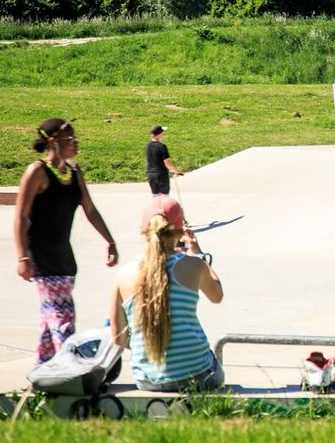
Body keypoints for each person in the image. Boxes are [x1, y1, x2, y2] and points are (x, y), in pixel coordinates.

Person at [13, 118, 119, 364]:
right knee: (63, 318)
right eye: (70, 139)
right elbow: (21, 216)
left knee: (51, 319)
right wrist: (22, 256)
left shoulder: (74, 173)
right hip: (42, 260)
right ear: (53, 142)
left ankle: (44, 369)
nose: (75, 143)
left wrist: (110, 241)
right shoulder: (37, 172)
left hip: (65, 261)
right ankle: (70, 369)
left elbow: (90, 210)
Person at [109, 195, 225, 391]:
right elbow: (217, 296)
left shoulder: (123, 274)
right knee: (212, 362)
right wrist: (197, 253)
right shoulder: (194, 265)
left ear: (144, 229)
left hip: (148, 379)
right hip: (198, 376)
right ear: (180, 231)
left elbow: (118, 338)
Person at [146, 125, 184, 195]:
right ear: (159, 134)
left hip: (150, 175)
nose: (163, 134)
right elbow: (168, 164)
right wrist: (177, 172)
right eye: (162, 133)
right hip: (161, 176)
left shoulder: (148, 145)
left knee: (156, 197)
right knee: (164, 198)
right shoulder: (162, 147)